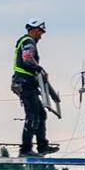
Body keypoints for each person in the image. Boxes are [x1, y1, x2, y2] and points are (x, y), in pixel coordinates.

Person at [11, 18, 59, 157]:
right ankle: (25, 150)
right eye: (40, 32)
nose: (41, 36)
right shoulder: (28, 42)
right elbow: (27, 58)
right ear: (34, 30)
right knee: (32, 116)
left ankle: (42, 146)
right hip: (25, 83)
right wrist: (40, 69)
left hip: (27, 83)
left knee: (40, 114)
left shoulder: (25, 41)